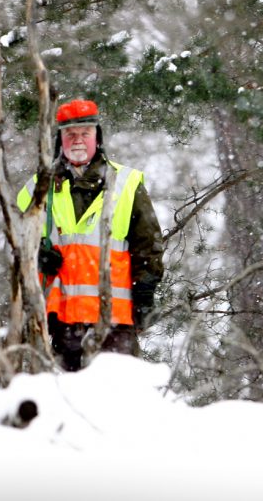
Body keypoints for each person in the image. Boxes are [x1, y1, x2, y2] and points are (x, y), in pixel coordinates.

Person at [16, 98, 165, 371]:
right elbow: (17, 243)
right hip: (59, 322)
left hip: (116, 319)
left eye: (85, 133)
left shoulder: (126, 183)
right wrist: (37, 255)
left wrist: (144, 298)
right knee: (66, 403)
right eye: (70, 134)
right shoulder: (37, 188)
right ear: (60, 140)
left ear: (98, 137)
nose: (78, 140)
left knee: (120, 397)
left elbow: (148, 246)